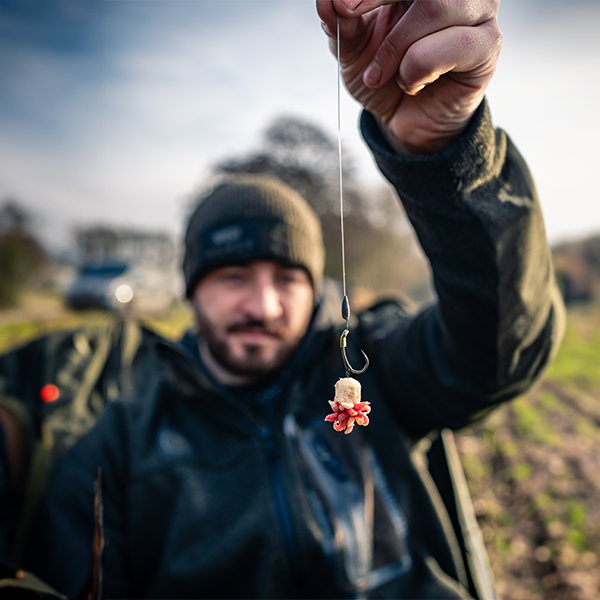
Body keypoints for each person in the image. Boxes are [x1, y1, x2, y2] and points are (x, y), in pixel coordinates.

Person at [25, 0, 565, 597]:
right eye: (233, 277)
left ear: (316, 289)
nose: (265, 305)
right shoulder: (119, 444)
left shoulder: (379, 366)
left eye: (287, 278)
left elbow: (504, 345)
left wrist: (444, 150)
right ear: (191, 288)